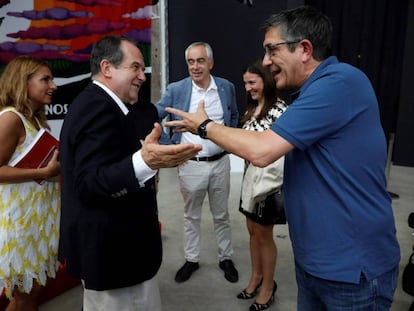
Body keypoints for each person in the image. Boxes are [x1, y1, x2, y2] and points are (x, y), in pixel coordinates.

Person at [163, 6, 401, 310]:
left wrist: (204, 126)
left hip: (352, 273)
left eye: (270, 50)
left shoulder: (338, 83)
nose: (265, 61)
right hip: (316, 265)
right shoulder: (312, 92)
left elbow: (262, 150)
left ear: (304, 49)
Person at [58, 35, 202, 311]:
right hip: (111, 255)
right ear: (107, 68)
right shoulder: (95, 108)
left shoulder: (111, 106)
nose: (142, 76)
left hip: (126, 253)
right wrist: (144, 162)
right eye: (135, 67)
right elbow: (88, 184)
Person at [156, 42, 240, 283]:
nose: (195, 66)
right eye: (191, 62)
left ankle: (226, 258)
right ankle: (191, 259)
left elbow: (232, 114)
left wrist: (229, 139)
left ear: (210, 63)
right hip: (191, 164)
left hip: (221, 162)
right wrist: (168, 144)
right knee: (191, 216)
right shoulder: (177, 89)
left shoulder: (226, 87)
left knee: (222, 215)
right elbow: (156, 116)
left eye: (200, 61)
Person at [0, 56, 61, 311]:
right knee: (26, 294)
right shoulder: (10, 118)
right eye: (45, 79)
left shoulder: (34, 119)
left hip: (36, 220)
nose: (53, 85)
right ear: (22, 82)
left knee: (31, 292)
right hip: (19, 223)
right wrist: (45, 171)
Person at [237, 58, 287, 311]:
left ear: (265, 81)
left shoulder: (280, 110)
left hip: (269, 185)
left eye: (252, 82)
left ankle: (268, 286)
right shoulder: (252, 108)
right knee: (252, 233)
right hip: (249, 181)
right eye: (245, 83)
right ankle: (256, 277)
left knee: (264, 236)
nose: (248, 88)